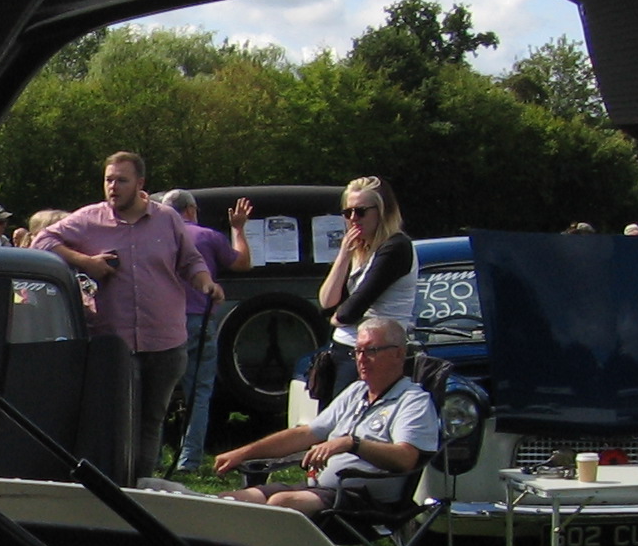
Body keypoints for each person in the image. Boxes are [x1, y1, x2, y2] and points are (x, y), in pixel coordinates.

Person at [36, 153, 218, 479]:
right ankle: (116, 487)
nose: (113, 187)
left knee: (151, 420)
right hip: (115, 342)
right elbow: (42, 240)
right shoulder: (89, 218)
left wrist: (205, 282)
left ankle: (139, 489)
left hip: (165, 340)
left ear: (140, 184)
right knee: (119, 421)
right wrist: (86, 262)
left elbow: (191, 261)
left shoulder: (167, 219)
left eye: (121, 180)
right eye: (108, 179)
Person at [212, 317, 438, 513]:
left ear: (398, 354)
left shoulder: (412, 401)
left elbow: (405, 458)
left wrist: (351, 444)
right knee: (231, 501)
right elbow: (305, 435)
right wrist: (243, 453)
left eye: (372, 351)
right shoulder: (356, 391)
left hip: (363, 500)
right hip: (320, 490)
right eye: (357, 351)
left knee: (281, 505)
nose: (361, 359)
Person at [160, 189, 254, 472]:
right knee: (199, 392)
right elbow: (242, 262)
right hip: (199, 320)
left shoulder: (156, 236)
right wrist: (238, 229)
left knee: (157, 391)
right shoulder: (208, 236)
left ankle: (151, 456)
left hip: (163, 321)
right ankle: (189, 460)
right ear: (190, 210)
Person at [316, 175, 416, 395]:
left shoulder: (396, 247)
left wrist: (337, 317)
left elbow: (350, 311)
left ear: (382, 211)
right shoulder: (359, 249)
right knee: (336, 414)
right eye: (347, 213)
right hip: (344, 349)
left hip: (376, 353)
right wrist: (344, 255)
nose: (353, 219)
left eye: (361, 212)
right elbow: (326, 302)